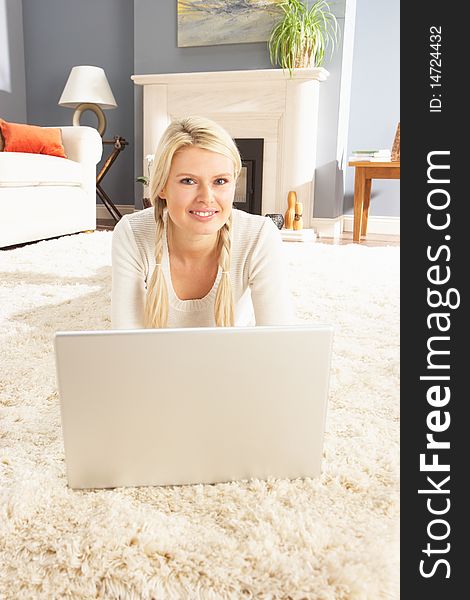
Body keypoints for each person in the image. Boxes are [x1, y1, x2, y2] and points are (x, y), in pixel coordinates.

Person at [111, 116, 294, 329]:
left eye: (220, 181)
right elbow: (125, 340)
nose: (206, 197)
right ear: (162, 186)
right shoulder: (132, 233)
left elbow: (279, 339)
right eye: (188, 181)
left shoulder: (260, 236)